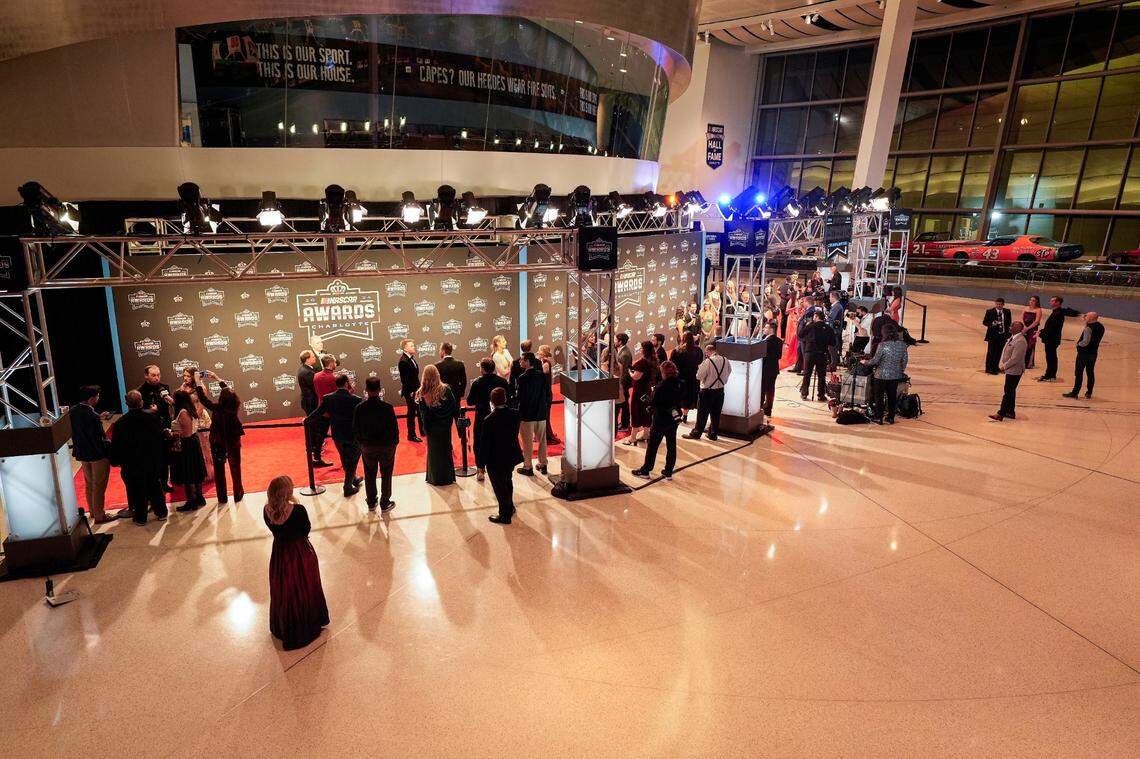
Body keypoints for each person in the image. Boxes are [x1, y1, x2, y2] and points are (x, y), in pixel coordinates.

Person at [264, 475, 329, 651]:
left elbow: (274, 530)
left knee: (284, 590)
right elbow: (306, 529)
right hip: (299, 554)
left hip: (279, 554)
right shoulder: (298, 510)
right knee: (305, 587)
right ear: (288, 492)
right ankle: (306, 624)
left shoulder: (266, 510)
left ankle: (283, 626)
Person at [110, 390, 168, 525]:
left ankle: (141, 518)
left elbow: (117, 445)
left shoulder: (120, 423)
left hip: (132, 463)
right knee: (155, 486)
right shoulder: (153, 416)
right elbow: (160, 437)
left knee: (137, 490)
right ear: (141, 402)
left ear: (126, 404)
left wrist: (115, 461)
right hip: (151, 460)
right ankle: (161, 513)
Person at [310, 373, 363, 497]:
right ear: (346, 383)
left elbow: (318, 412)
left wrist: (307, 420)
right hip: (352, 435)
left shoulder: (328, 398)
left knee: (345, 458)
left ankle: (353, 479)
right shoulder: (356, 399)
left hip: (337, 434)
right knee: (353, 460)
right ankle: (347, 486)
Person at [194, 374, 244, 504]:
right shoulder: (234, 407)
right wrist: (217, 378)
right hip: (233, 441)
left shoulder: (216, 408)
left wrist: (198, 381)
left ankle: (222, 498)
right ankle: (238, 494)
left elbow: (203, 399)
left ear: (221, 398)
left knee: (219, 471)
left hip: (218, 442)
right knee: (236, 468)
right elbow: (229, 392)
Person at [70, 385, 117, 523]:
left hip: (83, 453)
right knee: (99, 486)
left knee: (89, 483)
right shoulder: (92, 415)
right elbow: (98, 437)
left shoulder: (73, 411)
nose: (98, 398)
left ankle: (92, 511)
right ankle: (99, 515)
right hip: (97, 454)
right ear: (91, 399)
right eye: (97, 396)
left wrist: (98, 418)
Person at [352, 376, 399, 511]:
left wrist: (362, 444)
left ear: (366, 390)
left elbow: (355, 429)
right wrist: (393, 444)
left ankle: (371, 501)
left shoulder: (359, 408)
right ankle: (385, 502)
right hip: (386, 447)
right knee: (386, 473)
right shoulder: (387, 407)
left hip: (368, 447)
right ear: (379, 390)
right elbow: (394, 429)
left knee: (369, 473)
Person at [632, 360, 684, 480]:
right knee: (671, 444)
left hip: (661, 419)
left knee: (653, 446)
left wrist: (649, 404)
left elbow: (654, 403)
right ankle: (668, 471)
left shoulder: (660, 387)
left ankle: (646, 470)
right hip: (674, 418)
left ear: (663, 372)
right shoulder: (680, 383)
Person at [481, 387, 523, 525]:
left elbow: (485, 444)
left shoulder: (489, 420)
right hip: (510, 454)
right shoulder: (515, 414)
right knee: (507, 481)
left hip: (495, 459)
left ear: (492, 401)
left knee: (499, 487)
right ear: (505, 399)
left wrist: (481, 464)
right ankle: (509, 507)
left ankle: (504, 515)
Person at [466, 357, 509, 482]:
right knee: (499, 441)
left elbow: (469, 401)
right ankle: (500, 467)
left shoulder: (477, 383)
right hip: (500, 417)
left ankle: (480, 470)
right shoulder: (502, 381)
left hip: (482, 417)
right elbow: (509, 398)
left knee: (479, 443)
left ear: (483, 369)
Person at [417, 364, 458, 486]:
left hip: (432, 429)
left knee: (433, 453)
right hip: (445, 427)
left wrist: (426, 429)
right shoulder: (446, 389)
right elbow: (453, 407)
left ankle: (434, 478)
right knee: (445, 451)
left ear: (424, 376)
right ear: (437, 374)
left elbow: (423, 415)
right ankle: (447, 478)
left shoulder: (422, 393)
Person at [863, 323, 910, 424]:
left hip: (881, 376)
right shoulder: (902, 345)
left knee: (879, 397)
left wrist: (865, 362)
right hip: (895, 375)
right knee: (892, 396)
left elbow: (875, 361)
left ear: (884, 333)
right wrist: (900, 370)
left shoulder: (882, 345)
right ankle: (891, 417)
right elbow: (905, 360)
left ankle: (878, 417)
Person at [170, 389, 207, 512]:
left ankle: (192, 501)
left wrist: (172, 434)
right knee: (195, 471)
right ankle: (199, 498)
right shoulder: (188, 409)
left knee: (188, 473)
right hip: (192, 443)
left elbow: (185, 434)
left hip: (187, 445)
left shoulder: (183, 412)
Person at [138, 364, 174, 490]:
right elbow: (140, 411)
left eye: (158, 375)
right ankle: (154, 484)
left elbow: (167, 406)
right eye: (153, 375)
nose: (157, 378)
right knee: (153, 459)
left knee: (166, 457)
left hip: (166, 426)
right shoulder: (140, 391)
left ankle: (164, 483)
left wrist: (158, 408)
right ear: (146, 376)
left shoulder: (165, 388)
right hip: (150, 430)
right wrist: (151, 411)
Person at [515, 352, 551, 476]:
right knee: (542, 440)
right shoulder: (541, 376)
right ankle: (543, 464)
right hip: (541, 413)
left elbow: (520, 397)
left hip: (527, 415)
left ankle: (528, 466)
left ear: (528, 361)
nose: (520, 361)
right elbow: (547, 393)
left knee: (527, 442)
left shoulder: (522, 378)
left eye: (522, 360)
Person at [686, 342, 730, 441]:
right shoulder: (725, 360)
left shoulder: (708, 362)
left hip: (707, 391)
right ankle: (713, 434)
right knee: (716, 414)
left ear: (709, 351)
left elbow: (698, 376)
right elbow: (729, 371)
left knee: (702, 414)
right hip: (720, 391)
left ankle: (697, 433)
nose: (706, 355)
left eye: (706, 353)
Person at [296, 350, 330, 467]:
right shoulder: (307, 372)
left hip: (309, 402)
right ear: (307, 359)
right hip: (311, 403)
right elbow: (316, 387)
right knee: (314, 427)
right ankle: (314, 453)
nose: (314, 358)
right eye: (312, 357)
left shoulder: (305, 369)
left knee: (313, 427)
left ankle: (313, 451)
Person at [1037, 296, 1082, 382]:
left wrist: (1041, 333)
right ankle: (1048, 374)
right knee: (1050, 357)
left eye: (1053, 301)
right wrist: (1042, 332)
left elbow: (1052, 328)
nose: (1051, 302)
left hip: (1052, 339)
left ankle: (1051, 375)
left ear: (1058, 303)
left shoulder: (1058, 313)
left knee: (1051, 357)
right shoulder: (1057, 312)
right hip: (1051, 339)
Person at [989, 321, 1027, 422]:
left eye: (1011, 326)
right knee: (1010, 391)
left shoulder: (1020, 341)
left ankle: (1001, 413)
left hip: (1015, 370)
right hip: (1011, 369)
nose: (1009, 327)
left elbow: (1015, 358)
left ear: (1018, 328)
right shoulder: (1014, 338)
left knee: (1008, 392)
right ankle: (1010, 412)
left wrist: (1003, 367)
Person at [1063, 312, 1105, 400]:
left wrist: (1078, 344)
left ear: (1091, 318)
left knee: (1079, 373)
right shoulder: (1101, 327)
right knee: (1090, 372)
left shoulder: (1088, 328)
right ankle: (1089, 392)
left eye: (1087, 316)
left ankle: (1075, 392)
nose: (1085, 317)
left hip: (1083, 354)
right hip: (1093, 353)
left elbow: (1086, 342)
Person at [625, 340, 658, 446]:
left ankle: (632, 438)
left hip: (639, 391)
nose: (639, 349)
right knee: (646, 412)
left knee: (636, 412)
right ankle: (646, 434)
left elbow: (636, 377)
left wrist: (630, 372)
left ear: (644, 350)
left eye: (641, 347)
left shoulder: (642, 362)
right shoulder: (653, 360)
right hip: (647, 390)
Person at [799, 311, 833, 402]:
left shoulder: (811, 326)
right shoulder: (828, 328)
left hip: (810, 353)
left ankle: (804, 393)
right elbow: (833, 343)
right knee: (822, 375)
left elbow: (800, 334)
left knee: (807, 374)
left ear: (816, 316)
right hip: (822, 354)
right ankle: (821, 395)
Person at [435, 342, 468, 436]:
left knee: (445, 422)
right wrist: (460, 393)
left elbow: (437, 383)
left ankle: (448, 444)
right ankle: (462, 438)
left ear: (443, 351)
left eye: (440, 349)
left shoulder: (437, 365)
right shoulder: (460, 364)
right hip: (456, 396)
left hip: (443, 397)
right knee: (459, 417)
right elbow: (464, 381)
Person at [669, 331, 702, 423]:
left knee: (680, 397)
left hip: (680, 377)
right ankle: (685, 415)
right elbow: (699, 363)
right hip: (692, 378)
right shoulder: (698, 350)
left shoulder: (677, 350)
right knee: (689, 397)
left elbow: (671, 364)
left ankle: (678, 415)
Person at [397, 338, 423, 442]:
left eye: (413, 345)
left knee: (420, 411)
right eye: (411, 346)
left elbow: (414, 376)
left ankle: (423, 431)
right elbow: (405, 380)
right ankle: (411, 435)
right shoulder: (403, 361)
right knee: (411, 413)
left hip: (416, 390)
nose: (414, 347)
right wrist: (412, 393)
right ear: (405, 348)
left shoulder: (411, 358)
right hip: (411, 392)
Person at [537, 344, 561, 446]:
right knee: (544, 416)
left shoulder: (546, 363)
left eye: (539, 351)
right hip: (544, 393)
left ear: (543, 353)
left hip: (546, 394)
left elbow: (540, 375)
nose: (538, 352)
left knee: (546, 416)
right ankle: (545, 435)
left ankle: (549, 437)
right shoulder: (543, 362)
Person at [982, 297, 1012, 374]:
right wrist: (992, 324)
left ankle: (995, 367)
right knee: (991, 352)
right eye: (997, 304)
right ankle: (989, 368)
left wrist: (1008, 334)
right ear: (995, 304)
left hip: (1002, 335)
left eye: (1000, 304)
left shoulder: (1007, 312)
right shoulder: (990, 311)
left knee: (999, 352)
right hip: (992, 335)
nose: (998, 306)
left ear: (1003, 304)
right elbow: (985, 322)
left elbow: (1009, 323)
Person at [761, 322, 784, 418]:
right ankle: (768, 410)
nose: (763, 329)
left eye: (765, 327)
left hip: (765, 368)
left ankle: (760, 409)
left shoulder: (766, 342)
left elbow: (762, 356)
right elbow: (779, 356)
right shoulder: (779, 341)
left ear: (771, 329)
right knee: (770, 390)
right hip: (774, 369)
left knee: (762, 390)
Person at [613, 332, 633, 430]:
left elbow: (624, 372)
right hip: (622, 382)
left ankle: (625, 424)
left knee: (624, 404)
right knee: (623, 403)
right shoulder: (621, 350)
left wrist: (620, 384)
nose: (614, 341)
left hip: (623, 382)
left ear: (620, 342)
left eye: (615, 340)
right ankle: (624, 423)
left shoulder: (624, 354)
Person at [1021, 295, 1043, 370]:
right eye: (1031, 300)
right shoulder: (1025, 308)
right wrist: (1024, 327)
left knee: (1030, 345)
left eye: (1033, 300)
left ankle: (1028, 363)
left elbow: (1037, 322)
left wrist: (1027, 328)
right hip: (1024, 328)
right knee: (1023, 344)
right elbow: (1022, 318)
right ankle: (1021, 361)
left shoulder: (1038, 310)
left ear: (1037, 302)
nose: (1031, 301)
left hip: (1032, 329)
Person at [827, 290, 845, 371]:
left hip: (834, 331)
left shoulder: (837, 306)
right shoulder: (836, 306)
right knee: (832, 349)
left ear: (833, 297)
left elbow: (831, 318)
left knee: (832, 349)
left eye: (830, 297)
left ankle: (833, 366)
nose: (829, 298)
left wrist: (825, 316)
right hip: (834, 330)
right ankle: (832, 364)